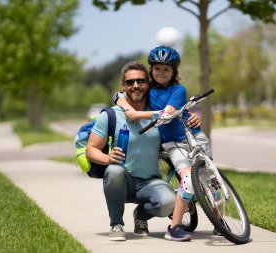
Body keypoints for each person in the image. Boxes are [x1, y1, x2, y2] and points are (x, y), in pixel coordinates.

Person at [86, 60, 201, 242]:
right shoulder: (110, 115)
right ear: (123, 86)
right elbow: (91, 149)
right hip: (123, 181)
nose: (136, 86)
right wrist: (108, 158)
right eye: (130, 82)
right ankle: (116, 224)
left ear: (148, 84)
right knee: (115, 170)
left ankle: (141, 216)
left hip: (150, 182)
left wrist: (192, 120)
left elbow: (178, 123)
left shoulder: (159, 115)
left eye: (140, 81)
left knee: (169, 202)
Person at [114, 46, 213, 241]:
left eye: (166, 69)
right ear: (151, 70)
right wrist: (127, 109)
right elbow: (117, 96)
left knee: (211, 180)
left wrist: (138, 114)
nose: (161, 73)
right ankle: (174, 227)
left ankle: (220, 222)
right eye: (157, 69)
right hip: (172, 143)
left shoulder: (178, 89)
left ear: (174, 72)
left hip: (193, 135)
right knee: (188, 180)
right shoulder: (147, 89)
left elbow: (167, 115)